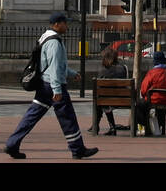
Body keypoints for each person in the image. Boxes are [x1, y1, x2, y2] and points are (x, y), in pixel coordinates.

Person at [5, 12, 98, 160]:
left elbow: (53, 65)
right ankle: (77, 149)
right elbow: (54, 67)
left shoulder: (45, 37)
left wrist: (72, 73)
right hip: (53, 85)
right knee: (68, 117)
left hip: (44, 84)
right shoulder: (54, 42)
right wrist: (57, 89)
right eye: (64, 23)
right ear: (56, 24)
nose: (66, 26)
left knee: (31, 116)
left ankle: (12, 143)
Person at [137, 51, 166, 136]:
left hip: (155, 99)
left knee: (139, 104)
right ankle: (160, 126)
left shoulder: (152, 73)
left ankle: (145, 125)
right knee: (161, 105)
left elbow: (143, 90)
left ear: (154, 61)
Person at [92, 46, 130, 136]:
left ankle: (96, 126)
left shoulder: (102, 70)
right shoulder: (123, 68)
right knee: (104, 101)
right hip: (123, 99)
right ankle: (110, 127)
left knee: (101, 101)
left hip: (106, 100)